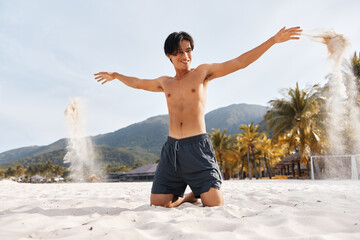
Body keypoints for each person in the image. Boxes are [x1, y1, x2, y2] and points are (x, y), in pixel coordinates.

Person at [94, 26, 302, 208]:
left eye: (188, 51)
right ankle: (188, 197)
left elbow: (239, 62)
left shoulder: (202, 73)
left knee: (215, 204)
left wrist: (273, 41)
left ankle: (198, 192)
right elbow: (139, 83)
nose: (185, 56)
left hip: (197, 146)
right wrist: (116, 76)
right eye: (178, 53)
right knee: (158, 205)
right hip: (171, 149)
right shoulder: (165, 82)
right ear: (169, 55)